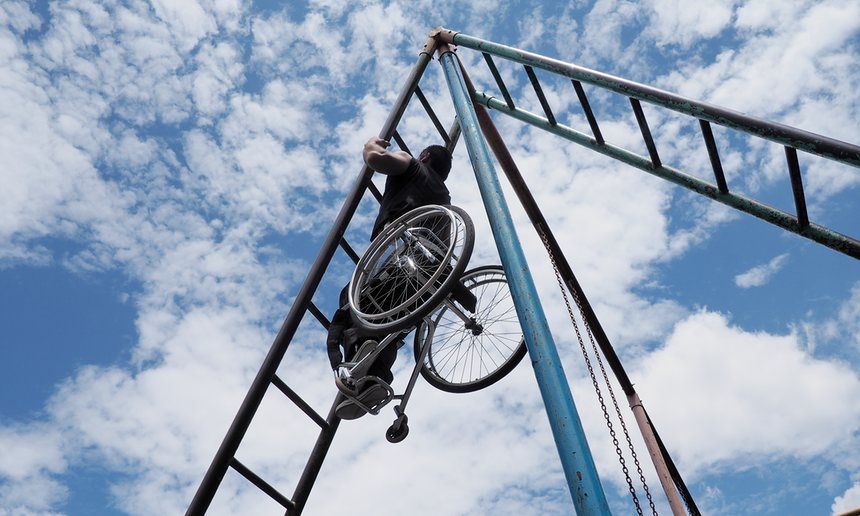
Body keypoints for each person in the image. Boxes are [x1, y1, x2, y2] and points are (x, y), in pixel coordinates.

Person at [328, 137, 453, 420]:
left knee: (352, 305)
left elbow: (374, 159)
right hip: (432, 274)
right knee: (391, 327)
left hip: (399, 253)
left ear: (424, 157)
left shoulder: (412, 165)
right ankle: (373, 375)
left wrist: (371, 144)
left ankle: (365, 376)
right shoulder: (444, 197)